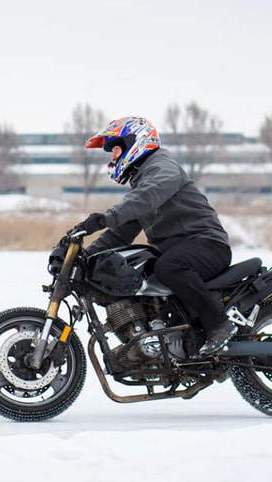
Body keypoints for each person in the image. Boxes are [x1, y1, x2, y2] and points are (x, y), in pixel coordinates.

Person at [74, 116, 235, 357]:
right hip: (180, 250)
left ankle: (219, 325)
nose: (113, 158)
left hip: (207, 245)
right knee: (139, 268)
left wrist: (106, 216)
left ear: (135, 141)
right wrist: (81, 257)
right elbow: (119, 235)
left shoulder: (162, 167)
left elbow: (146, 196)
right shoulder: (143, 183)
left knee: (168, 267)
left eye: (116, 149)